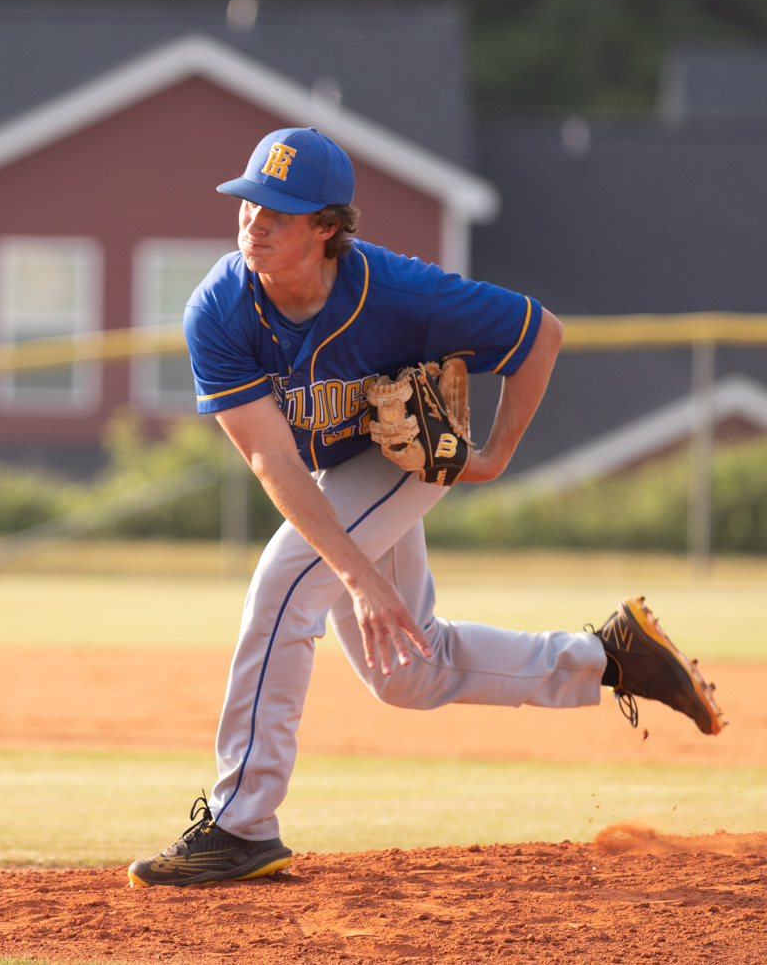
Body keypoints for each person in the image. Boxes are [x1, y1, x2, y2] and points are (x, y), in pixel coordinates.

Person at [126, 127, 724, 888]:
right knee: (410, 672)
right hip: (329, 474)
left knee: (282, 589)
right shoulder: (219, 308)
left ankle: (241, 826)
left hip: (405, 460)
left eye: (280, 210)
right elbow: (272, 460)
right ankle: (611, 657)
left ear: (328, 227)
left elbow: (540, 334)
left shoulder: (401, 294)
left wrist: (495, 456)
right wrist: (360, 576)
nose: (256, 221)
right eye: (250, 202)